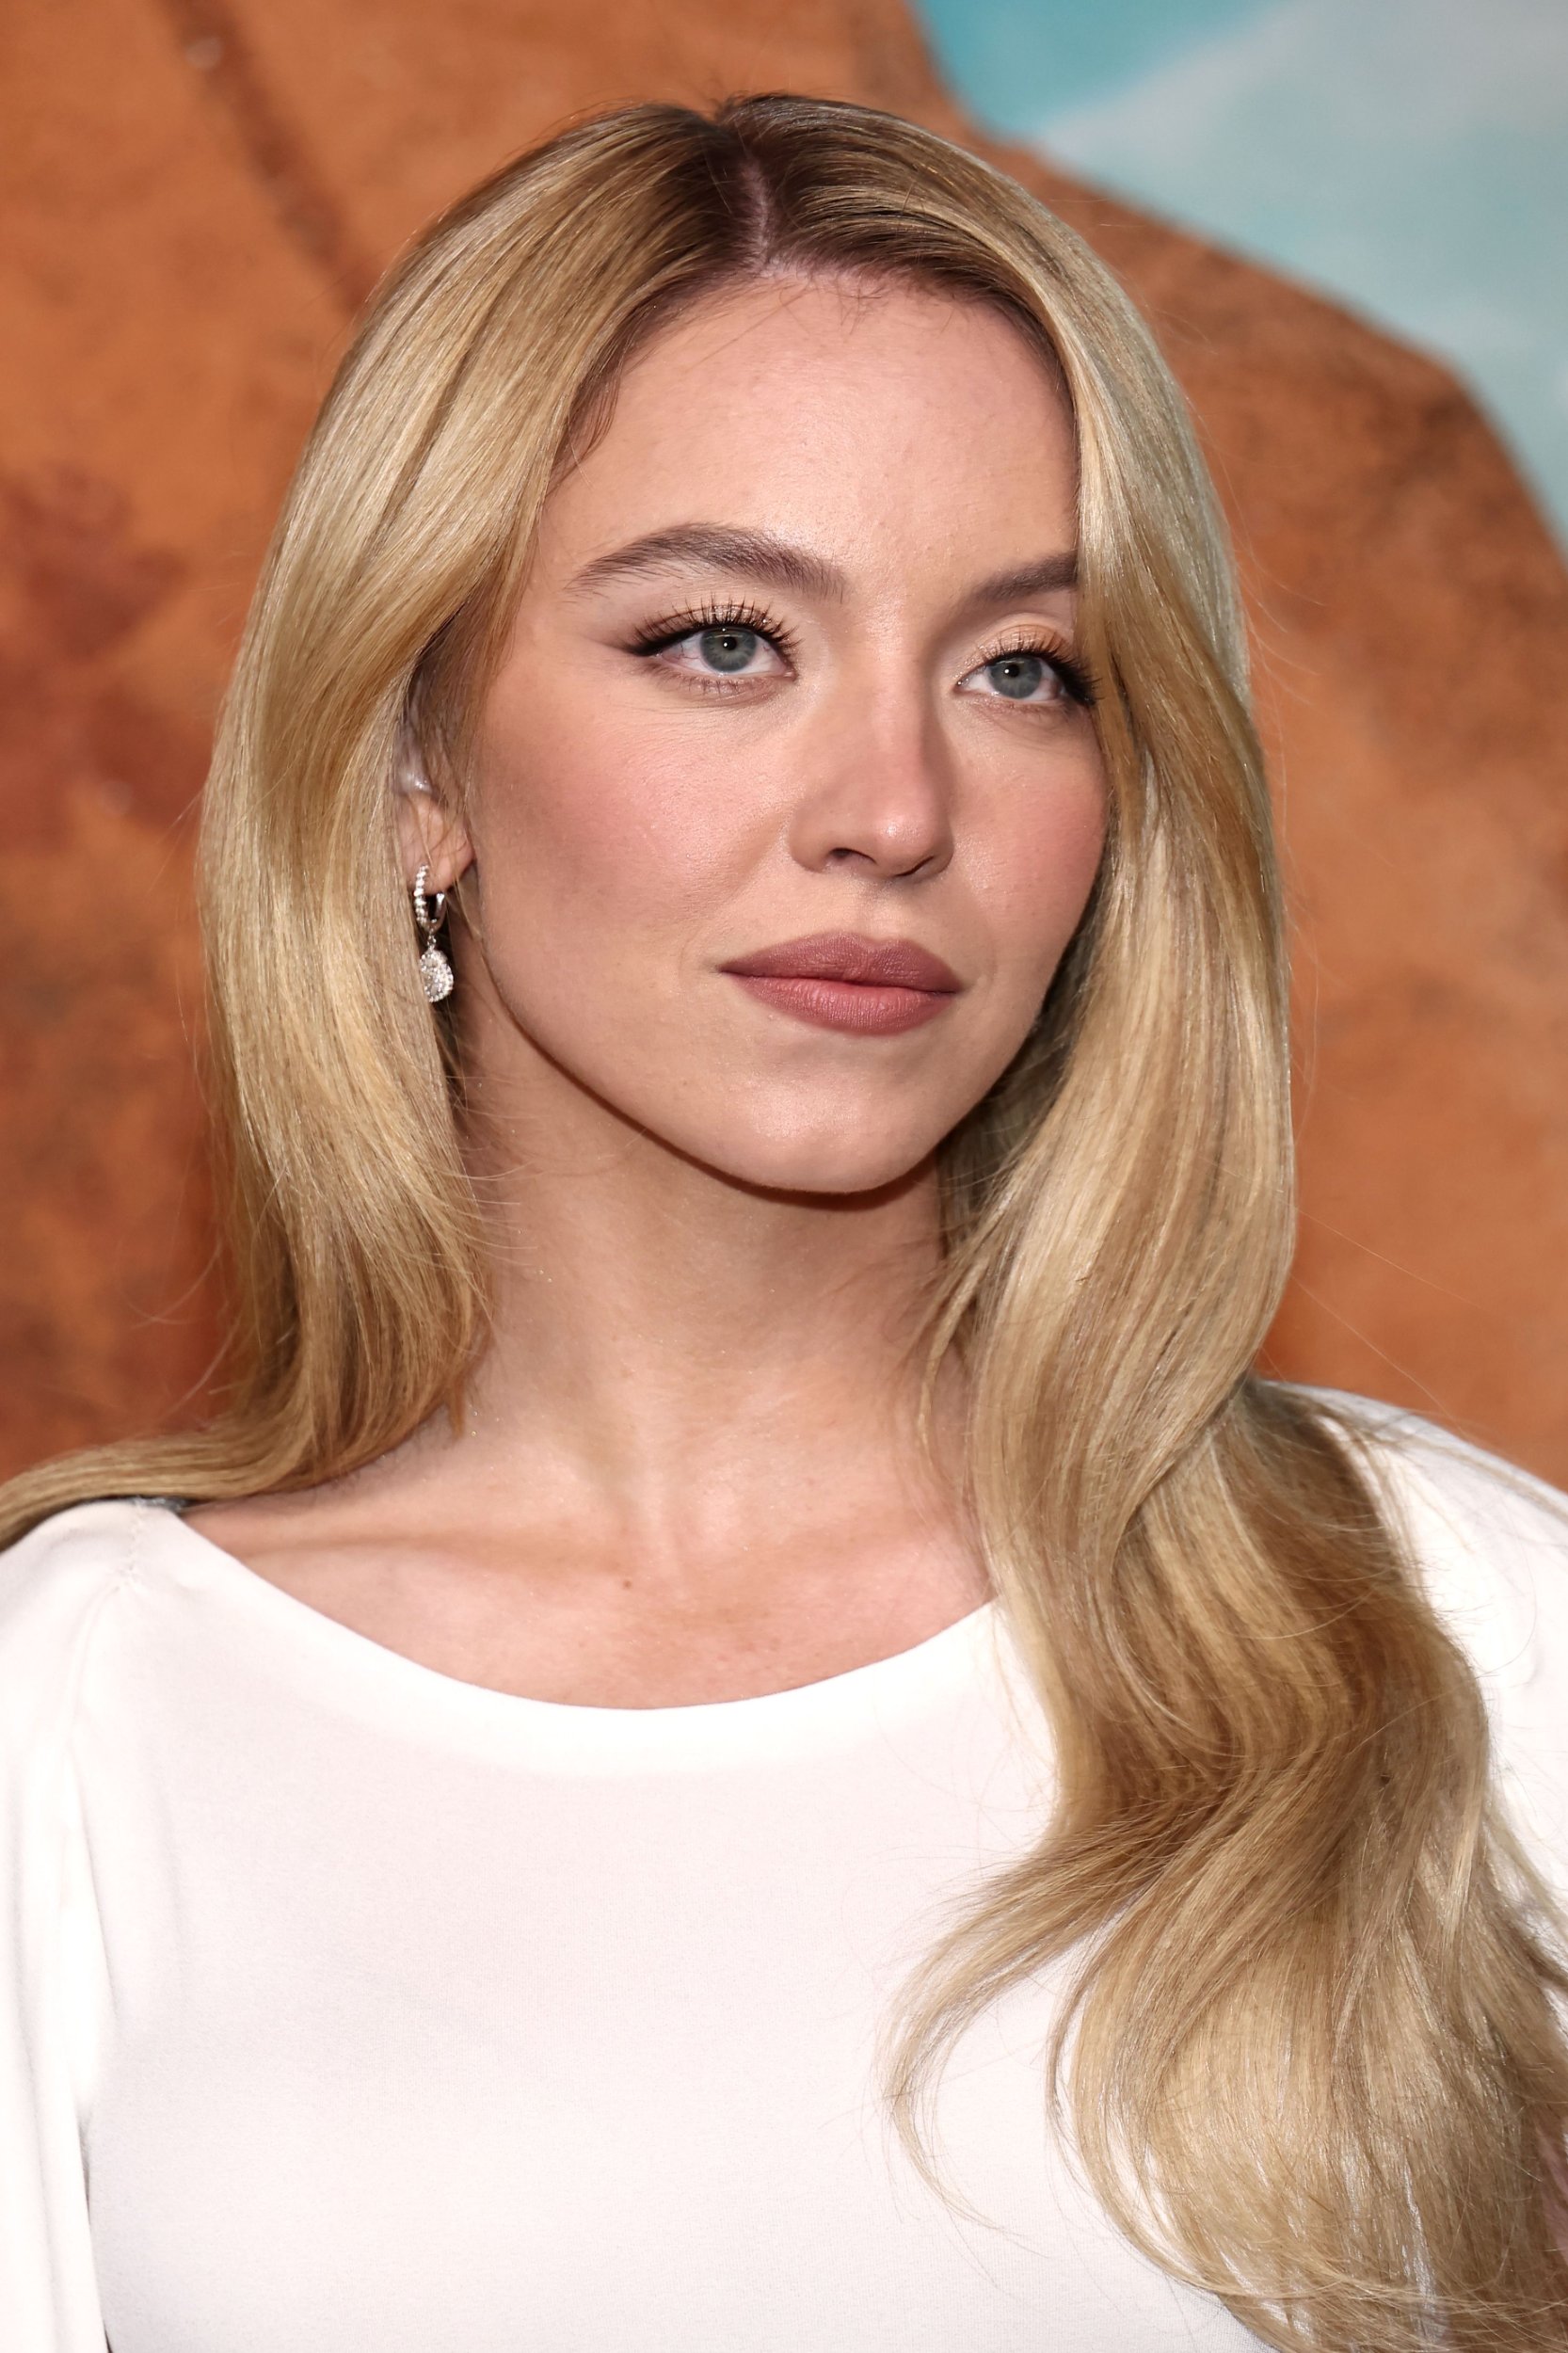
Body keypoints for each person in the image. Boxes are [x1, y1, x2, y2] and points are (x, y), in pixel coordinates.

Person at [2, 91, 1565, 2353]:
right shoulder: (77, 1714)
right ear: (417, 758)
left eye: (1024, 669)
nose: (895, 808)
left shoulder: (1458, 1636)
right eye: (725, 639)